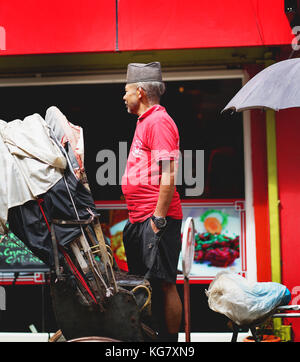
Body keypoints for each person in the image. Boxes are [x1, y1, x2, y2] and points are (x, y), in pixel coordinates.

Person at [121, 62, 183, 342]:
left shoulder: (158, 121)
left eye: (127, 90)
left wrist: (158, 219)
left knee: (165, 284)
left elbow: (169, 174)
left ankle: (169, 345)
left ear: (141, 91)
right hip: (141, 218)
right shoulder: (145, 121)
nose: (124, 97)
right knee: (147, 285)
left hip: (156, 219)